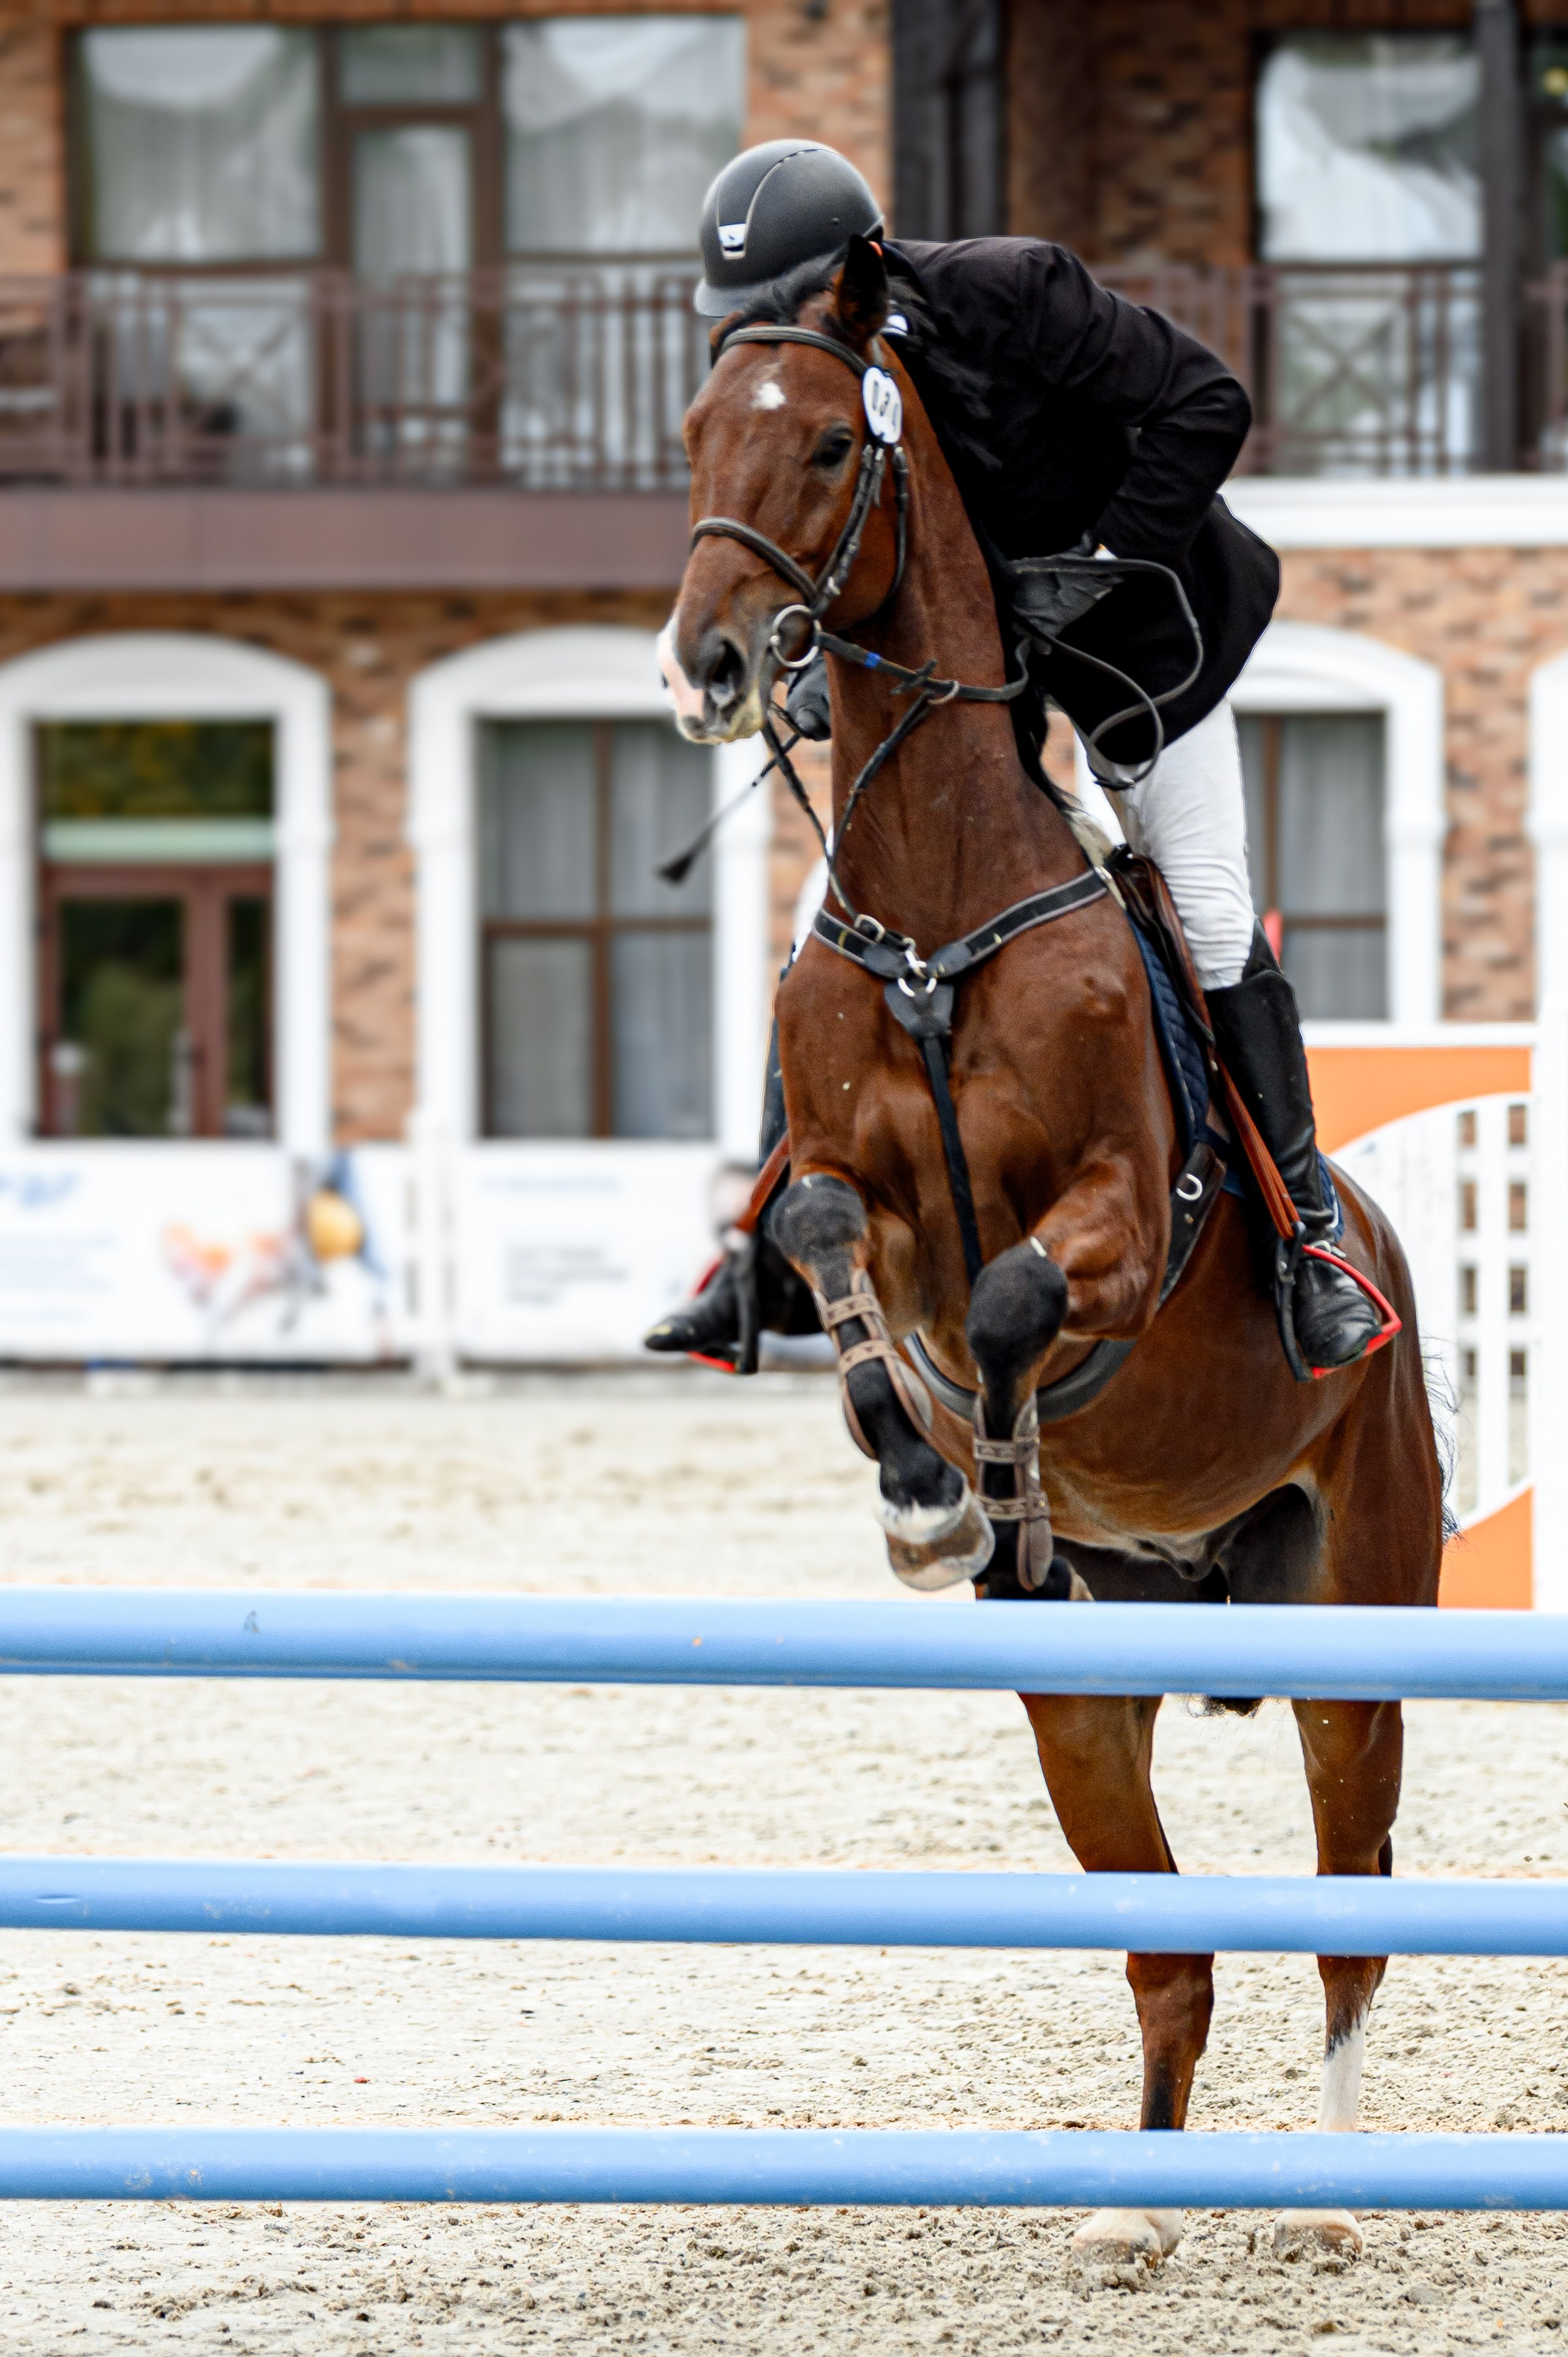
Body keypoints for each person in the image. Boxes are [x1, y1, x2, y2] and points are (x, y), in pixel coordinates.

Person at [647, 139, 1381, 1378]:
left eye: (789, 313)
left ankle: (1309, 1245)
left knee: (1203, 910)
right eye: (745, 326)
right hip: (981, 667)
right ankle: (764, 1257)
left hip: (1151, 636)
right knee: (821, 921)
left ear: (865, 280)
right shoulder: (822, 389)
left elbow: (1209, 403)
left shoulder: (1014, 293)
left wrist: (1091, 569)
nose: (773, 345)